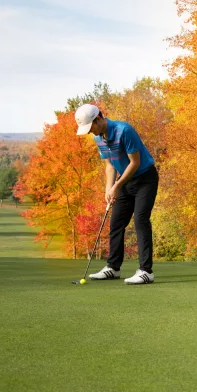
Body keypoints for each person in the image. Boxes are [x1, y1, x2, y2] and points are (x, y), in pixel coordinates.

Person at [75, 104, 159, 284]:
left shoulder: (124, 130)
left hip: (145, 178)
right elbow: (110, 165)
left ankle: (146, 271)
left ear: (98, 119)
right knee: (116, 222)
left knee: (140, 220)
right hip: (126, 180)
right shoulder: (99, 138)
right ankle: (113, 267)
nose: (91, 132)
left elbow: (134, 163)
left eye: (91, 127)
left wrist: (117, 186)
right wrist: (109, 188)